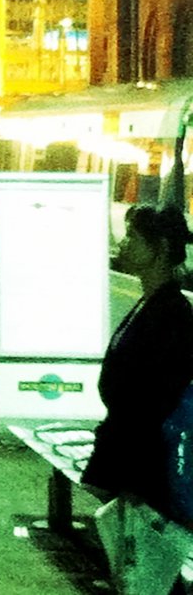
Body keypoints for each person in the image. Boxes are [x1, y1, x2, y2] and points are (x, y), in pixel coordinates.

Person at [82, 203, 193, 515]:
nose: (124, 243)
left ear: (160, 248)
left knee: (133, 552)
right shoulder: (149, 302)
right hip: (119, 442)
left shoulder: (173, 313)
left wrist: (131, 475)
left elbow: (158, 398)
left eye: (133, 236)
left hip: (141, 458)